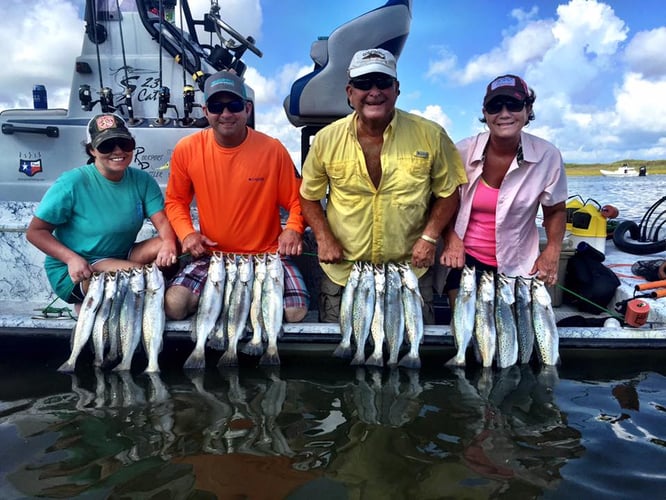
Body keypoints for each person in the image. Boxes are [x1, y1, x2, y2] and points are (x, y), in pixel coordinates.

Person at [299, 48, 467, 323]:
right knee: (344, 351)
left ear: (396, 89)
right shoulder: (327, 140)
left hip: (409, 273)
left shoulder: (431, 134)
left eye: (383, 83)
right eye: (364, 84)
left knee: (411, 355)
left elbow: (448, 193)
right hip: (345, 274)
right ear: (350, 92)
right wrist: (323, 237)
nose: (374, 91)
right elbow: (308, 196)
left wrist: (429, 237)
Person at [164, 70, 308, 321]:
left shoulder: (273, 149)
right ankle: (236, 302)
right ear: (205, 110)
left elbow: (298, 200)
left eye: (234, 105)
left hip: (268, 256)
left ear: (248, 109)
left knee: (294, 313)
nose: (226, 114)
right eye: (217, 106)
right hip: (215, 256)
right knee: (175, 305)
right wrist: (187, 234)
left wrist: (293, 228)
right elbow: (175, 201)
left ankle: (234, 303)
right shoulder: (187, 149)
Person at [26, 113, 178, 306]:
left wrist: (169, 244)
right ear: (92, 150)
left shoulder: (142, 180)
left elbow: (162, 222)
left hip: (122, 255)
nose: (118, 151)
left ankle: (148, 297)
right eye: (106, 145)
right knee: (144, 278)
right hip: (79, 267)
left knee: (174, 245)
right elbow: (35, 232)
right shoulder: (72, 182)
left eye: (124, 143)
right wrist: (71, 259)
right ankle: (96, 303)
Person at [441, 74, 567, 300]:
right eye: (495, 106)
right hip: (466, 262)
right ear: (485, 113)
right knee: (467, 332)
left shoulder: (548, 156)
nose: (505, 114)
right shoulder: (462, 151)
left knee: (516, 334)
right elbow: (445, 201)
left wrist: (553, 250)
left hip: (519, 266)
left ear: (528, 110)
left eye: (514, 105)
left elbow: (555, 210)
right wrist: (451, 238)